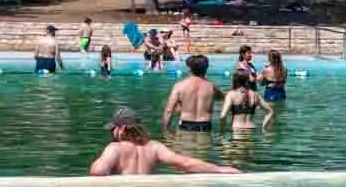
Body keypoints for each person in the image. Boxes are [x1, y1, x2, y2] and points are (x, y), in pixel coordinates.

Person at [90, 108, 239, 176]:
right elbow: (185, 163)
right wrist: (219, 169)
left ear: (121, 129)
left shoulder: (115, 148)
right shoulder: (154, 147)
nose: (111, 133)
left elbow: (98, 171)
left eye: (112, 129)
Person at [162, 54, 222, 133]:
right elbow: (223, 97)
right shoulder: (212, 86)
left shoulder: (179, 86)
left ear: (190, 68)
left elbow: (169, 111)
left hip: (185, 125)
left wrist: (165, 131)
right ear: (206, 68)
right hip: (205, 126)